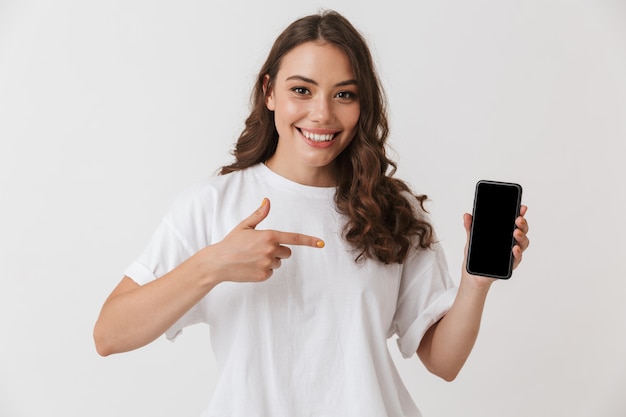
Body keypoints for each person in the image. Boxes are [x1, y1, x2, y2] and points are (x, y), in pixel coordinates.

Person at [93, 10, 530, 417]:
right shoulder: (212, 204)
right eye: (301, 90)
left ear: (364, 106)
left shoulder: (393, 210)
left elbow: (444, 362)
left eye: (344, 94)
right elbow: (110, 335)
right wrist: (213, 264)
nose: (322, 113)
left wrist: (475, 285)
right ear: (269, 92)